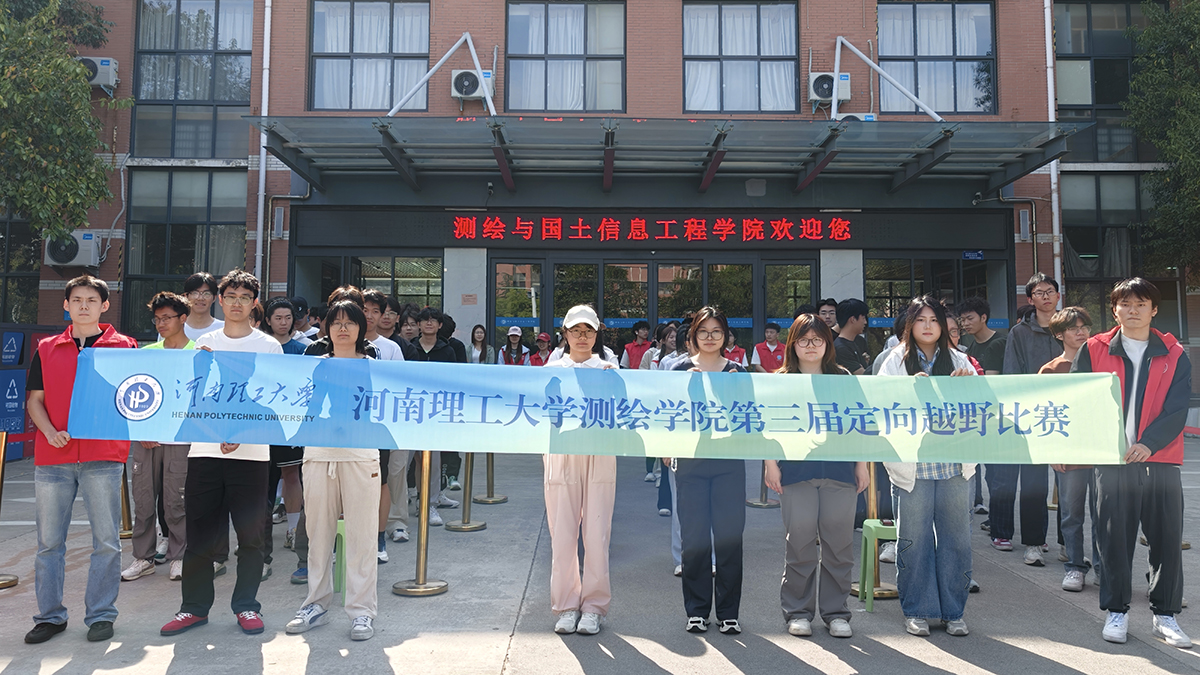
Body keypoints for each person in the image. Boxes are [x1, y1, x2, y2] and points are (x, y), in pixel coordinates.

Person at [160, 270, 283, 638]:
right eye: (230, 296)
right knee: (200, 535)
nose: (237, 303)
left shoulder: (268, 347)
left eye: (245, 297)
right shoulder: (204, 344)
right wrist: (218, 434)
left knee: (251, 537)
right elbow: (193, 399)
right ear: (220, 300)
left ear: (254, 303)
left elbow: (274, 402)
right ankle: (194, 608)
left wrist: (241, 434)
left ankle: (247, 606)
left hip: (252, 456)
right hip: (205, 452)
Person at [1072, 278, 1192, 648]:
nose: (1133, 310)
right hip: (1112, 461)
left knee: (1166, 540)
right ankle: (1116, 611)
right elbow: (1077, 399)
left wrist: (1148, 444)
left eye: (1141, 303)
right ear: (1115, 310)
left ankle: (1165, 614)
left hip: (1160, 461)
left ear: (1154, 310)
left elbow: (1177, 409)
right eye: (1126, 303)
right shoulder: (1094, 349)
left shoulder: (1174, 353)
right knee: (1113, 540)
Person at [24, 276, 138, 645]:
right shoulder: (46, 348)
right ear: (66, 305)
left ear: (105, 305)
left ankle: (101, 615)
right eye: (77, 299)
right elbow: (35, 400)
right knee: (49, 543)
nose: (84, 305)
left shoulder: (125, 347)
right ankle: (50, 617)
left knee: (106, 540)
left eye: (91, 299)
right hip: (53, 456)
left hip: (103, 455)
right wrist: (49, 432)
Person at [763, 314, 868, 639]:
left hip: (839, 472)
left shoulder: (843, 378)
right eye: (804, 340)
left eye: (818, 339)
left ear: (828, 343)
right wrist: (770, 463)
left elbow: (860, 422)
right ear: (793, 344)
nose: (811, 346)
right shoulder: (780, 380)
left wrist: (862, 464)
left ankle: (836, 613)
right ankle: (798, 612)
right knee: (800, 543)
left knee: (839, 545)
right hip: (796, 472)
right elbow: (767, 425)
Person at [877, 295, 976, 638]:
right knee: (913, 540)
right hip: (913, 466)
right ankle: (917, 609)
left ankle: (954, 612)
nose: (929, 326)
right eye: (921, 320)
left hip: (953, 464)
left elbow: (981, 409)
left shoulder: (960, 360)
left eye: (934, 319)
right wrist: (908, 391)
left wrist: (966, 389)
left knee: (956, 539)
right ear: (910, 325)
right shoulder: (893, 361)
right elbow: (879, 408)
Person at [285, 301, 382, 641]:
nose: (343, 328)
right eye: (336, 322)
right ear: (326, 328)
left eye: (349, 322)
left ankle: (361, 610)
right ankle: (315, 604)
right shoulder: (315, 366)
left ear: (360, 328)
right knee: (318, 534)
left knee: (362, 536)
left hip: (361, 456)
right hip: (319, 455)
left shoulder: (374, 368)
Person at [542, 305, 617, 636]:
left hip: (599, 451)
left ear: (597, 333)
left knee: (597, 532)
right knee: (562, 532)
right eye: (576, 330)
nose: (582, 336)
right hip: (561, 452)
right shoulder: (551, 370)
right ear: (566, 334)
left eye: (588, 331)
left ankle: (594, 607)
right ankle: (566, 605)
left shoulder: (609, 368)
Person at [672, 307, 747, 635]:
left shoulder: (737, 372)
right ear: (693, 335)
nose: (710, 337)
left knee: (730, 539)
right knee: (694, 539)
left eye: (717, 331)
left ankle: (729, 612)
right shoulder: (679, 370)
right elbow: (666, 413)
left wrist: (733, 390)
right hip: (691, 463)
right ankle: (697, 611)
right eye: (703, 331)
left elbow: (748, 416)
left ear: (726, 336)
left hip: (729, 463)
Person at [122, 292, 194, 585]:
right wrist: (141, 429)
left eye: (167, 318)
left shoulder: (199, 353)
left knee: (176, 501)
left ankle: (179, 557)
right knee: (142, 499)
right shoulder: (147, 352)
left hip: (180, 438)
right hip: (147, 439)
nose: (161, 324)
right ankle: (143, 558)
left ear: (183, 318)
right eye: (157, 319)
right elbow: (131, 393)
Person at [992, 273, 1064, 565]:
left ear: (1058, 296)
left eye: (1050, 291)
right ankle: (1032, 542)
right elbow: (1012, 372)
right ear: (1030, 299)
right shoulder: (1019, 333)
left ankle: (1067, 543)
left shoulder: (1070, 327)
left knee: (1068, 482)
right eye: (1039, 292)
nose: (1046, 297)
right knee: (1034, 480)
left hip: (1066, 412)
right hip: (1033, 414)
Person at [1037, 307, 1100, 593]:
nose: (1081, 332)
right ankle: (1075, 566)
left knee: (1103, 515)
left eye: (1085, 327)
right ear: (1059, 334)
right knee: (1071, 515)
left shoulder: (1102, 363)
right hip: (1068, 454)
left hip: (1100, 452)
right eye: (1074, 328)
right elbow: (1042, 415)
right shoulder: (1051, 370)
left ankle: (1102, 567)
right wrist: (1052, 451)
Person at [409, 307, 461, 525]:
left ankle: (430, 504)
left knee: (433, 460)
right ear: (419, 325)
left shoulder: (447, 351)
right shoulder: (409, 348)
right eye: (425, 320)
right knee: (407, 459)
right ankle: (405, 502)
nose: (429, 323)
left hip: (435, 410)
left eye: (433, 320)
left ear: (440, 325)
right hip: (410, 409)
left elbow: (452, 380)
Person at [182, 272, 223, 341]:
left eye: (206, 294)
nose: (200, 298)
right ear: (186, 296)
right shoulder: (175, 328)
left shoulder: (223, 329)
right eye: (195, 293)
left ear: (214, 298)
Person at [833, 299, 870, 375]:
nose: (865, 322)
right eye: (863, 318)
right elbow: (863, 375)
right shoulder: (841, 348)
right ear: (853, 319)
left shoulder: (854, 343)